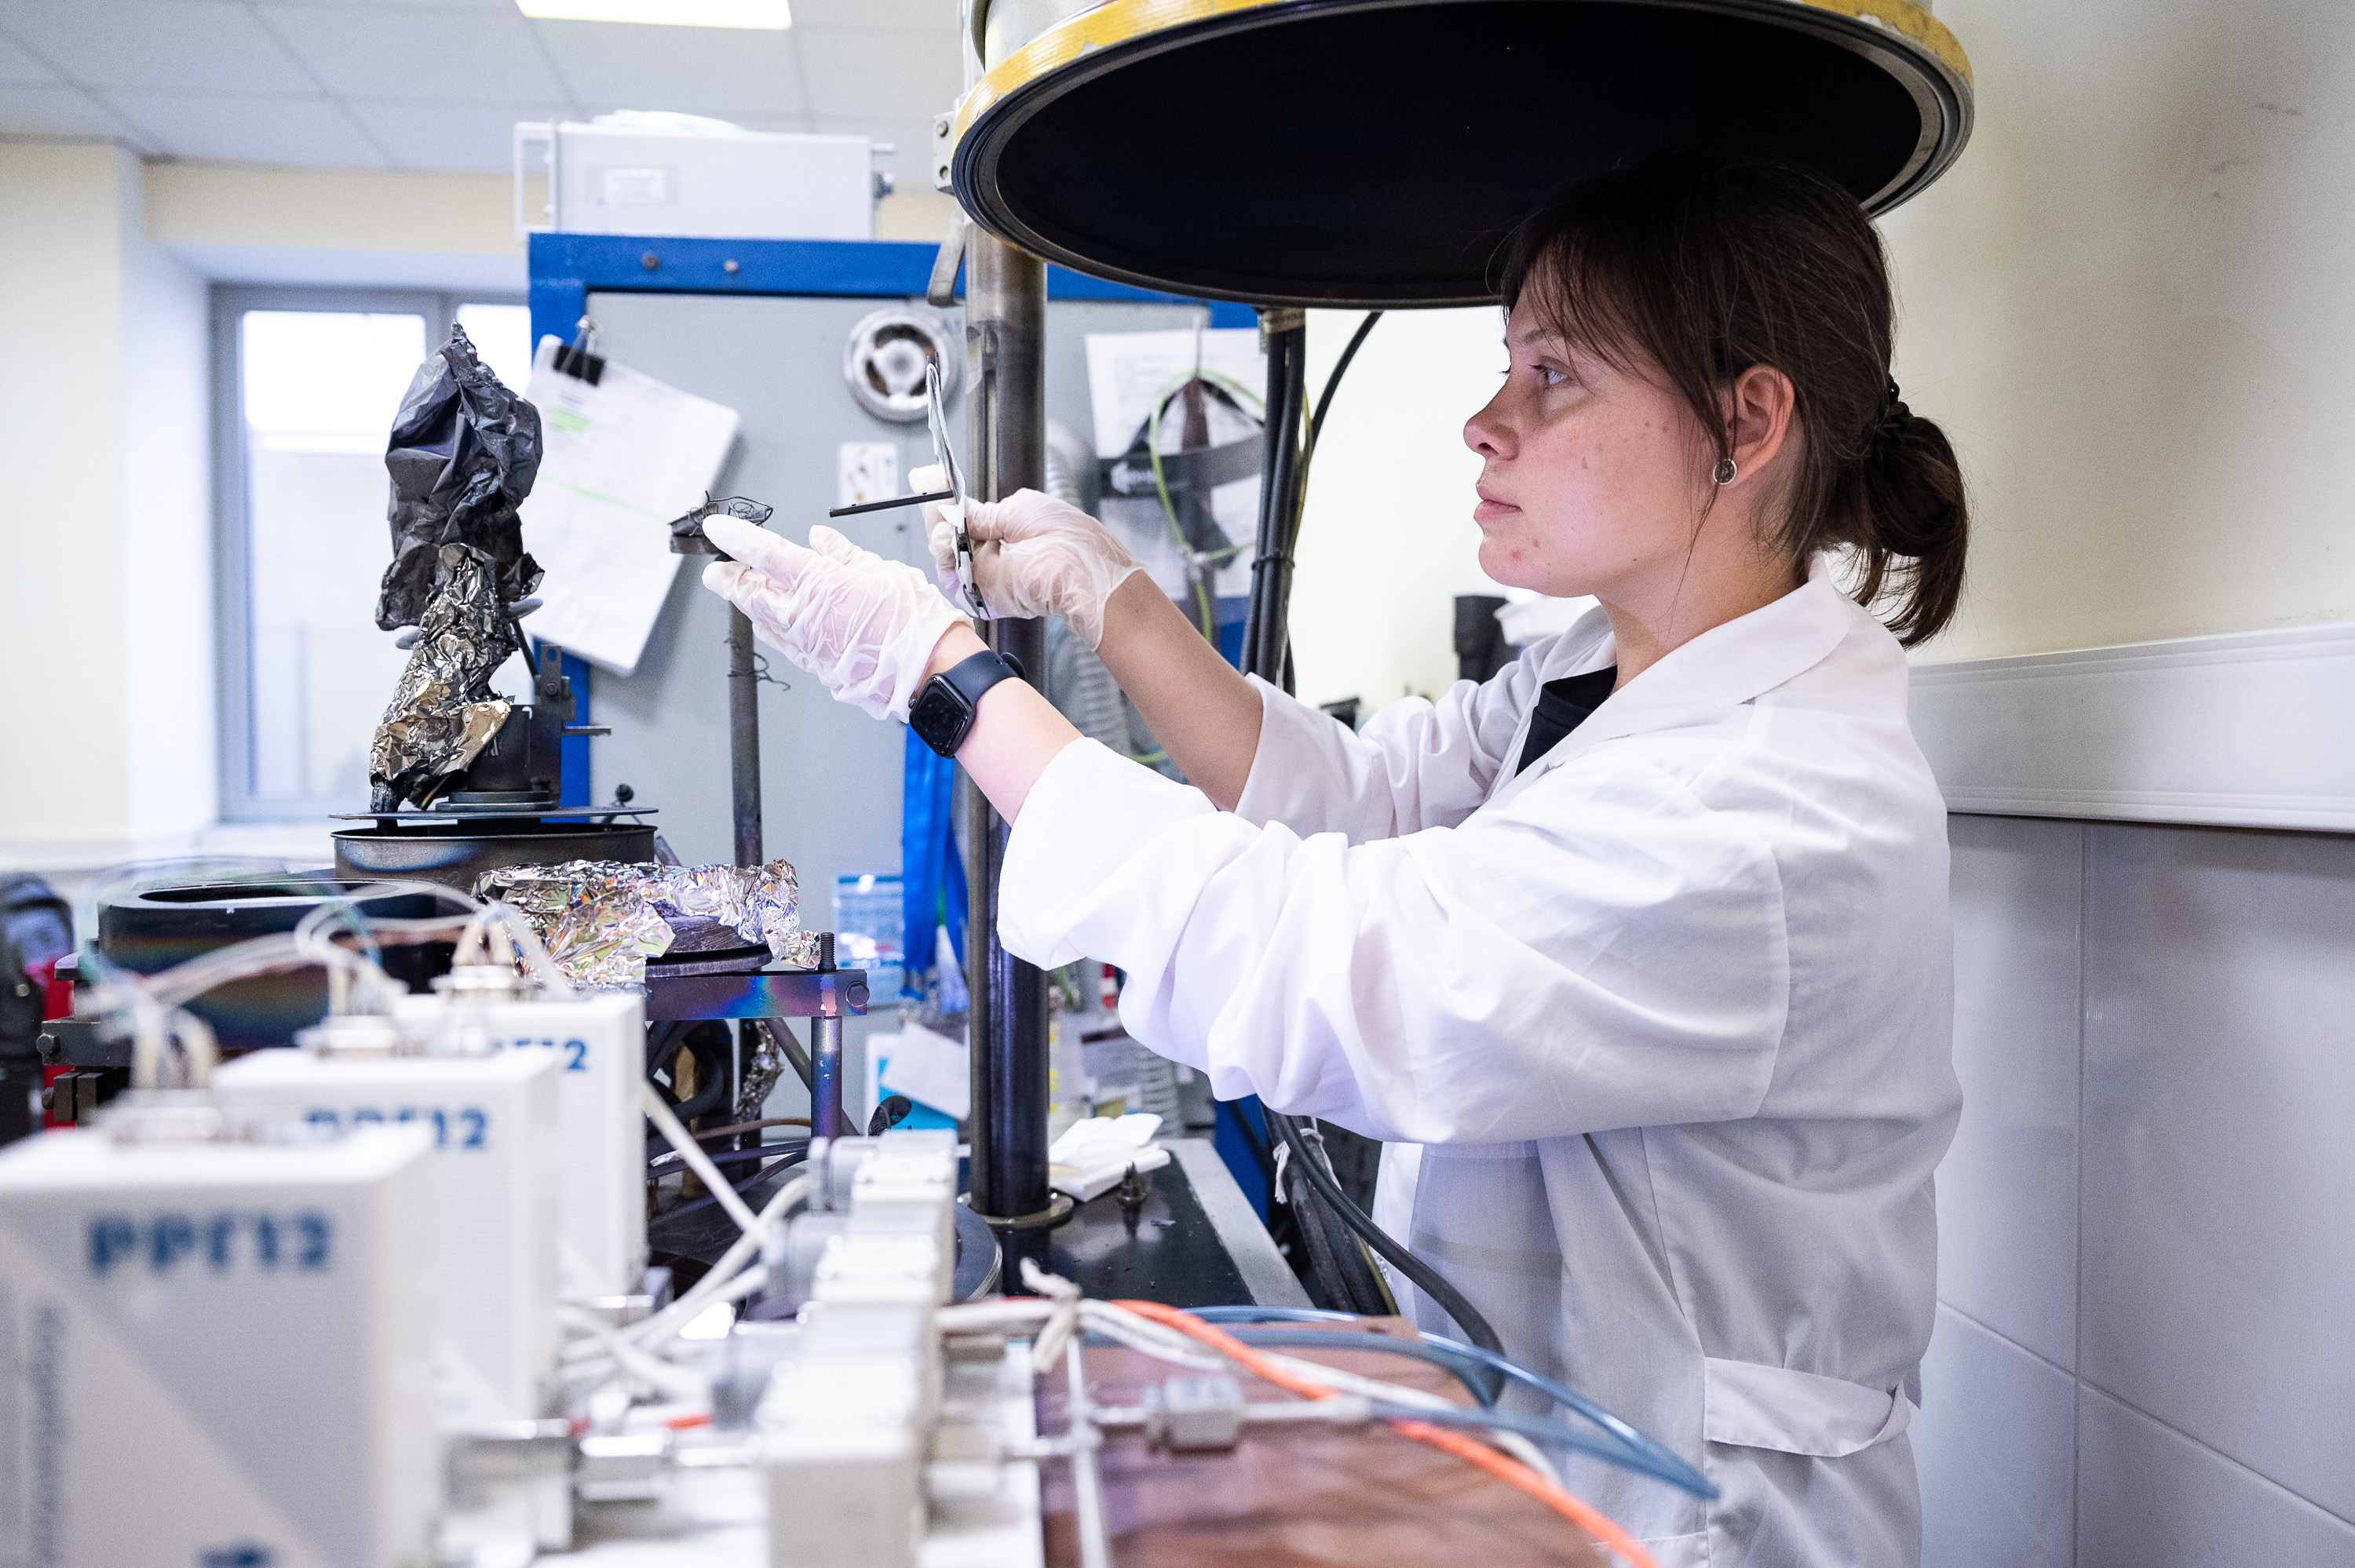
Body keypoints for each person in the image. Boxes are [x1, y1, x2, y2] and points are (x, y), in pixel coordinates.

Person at [696, 152, 1968, 1567]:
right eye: (1508, 366)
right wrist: (1109, 594)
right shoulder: (1600, 671)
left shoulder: (1768, 805)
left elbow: (1341, 963)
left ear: (1747, 421)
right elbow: (1360, 798)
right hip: (1549, 1442)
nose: (1487, 422)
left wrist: (941, 673)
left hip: (1697, 1513)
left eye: (1554, 376)